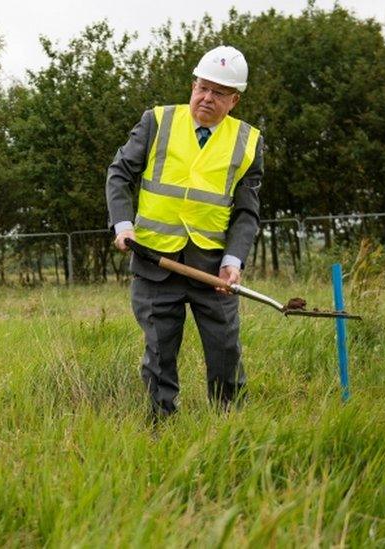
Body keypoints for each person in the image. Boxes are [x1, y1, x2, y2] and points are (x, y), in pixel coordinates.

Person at [105, 46, 263, 419]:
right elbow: (119, 173)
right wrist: (123, 225)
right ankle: (161, 428)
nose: (207, 98)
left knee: (226, 352)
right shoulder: (157, 121)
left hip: (213, 271)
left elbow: (246, 211)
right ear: (193, 85)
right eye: (202, 87)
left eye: (219, 92)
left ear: (234, 100)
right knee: (159, 355)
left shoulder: (248, 142)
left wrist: (233, 260)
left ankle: (230, 426)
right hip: (154, 262)